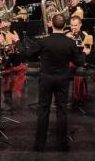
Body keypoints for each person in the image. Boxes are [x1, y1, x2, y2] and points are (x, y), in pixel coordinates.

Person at [25, 14, 89, 151]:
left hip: (46, 79)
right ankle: (62, 144)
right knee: (62, 111)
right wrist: (84, 52)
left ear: (51, 25)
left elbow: (29, 55)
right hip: (62, 79)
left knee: (43, 110)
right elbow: (79, 62)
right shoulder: (70, 42)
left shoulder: (43, 41)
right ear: (65, 25)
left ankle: (39, 145)